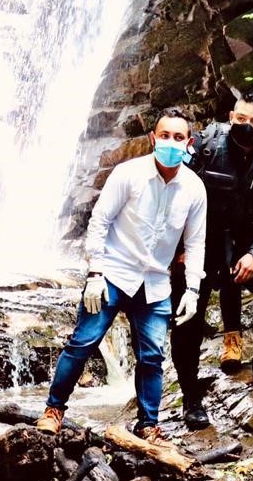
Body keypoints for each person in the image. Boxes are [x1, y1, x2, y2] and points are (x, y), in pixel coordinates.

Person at [36, 107, 206, 442]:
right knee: (83, 342)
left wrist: (193, 290)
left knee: (152, 356)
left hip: (155, 283)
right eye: (165, 136)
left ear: (189, 142)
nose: (171, 143)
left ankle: (148, 425)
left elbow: (196, 241)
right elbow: (99, 222)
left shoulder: (194, 189)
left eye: (178, 137)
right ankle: (53, 410)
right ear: (153, 138)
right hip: (113, 273)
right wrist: (95, 272)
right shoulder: (128, 174)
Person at [173, 93, 253, 429]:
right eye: (242, 119)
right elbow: (173, 188)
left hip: (246, 243)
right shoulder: (205, 145)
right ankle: (191, 396)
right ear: (232, 116)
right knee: (189, 314)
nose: (247, 127)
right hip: (200, 243)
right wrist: (179, 246)